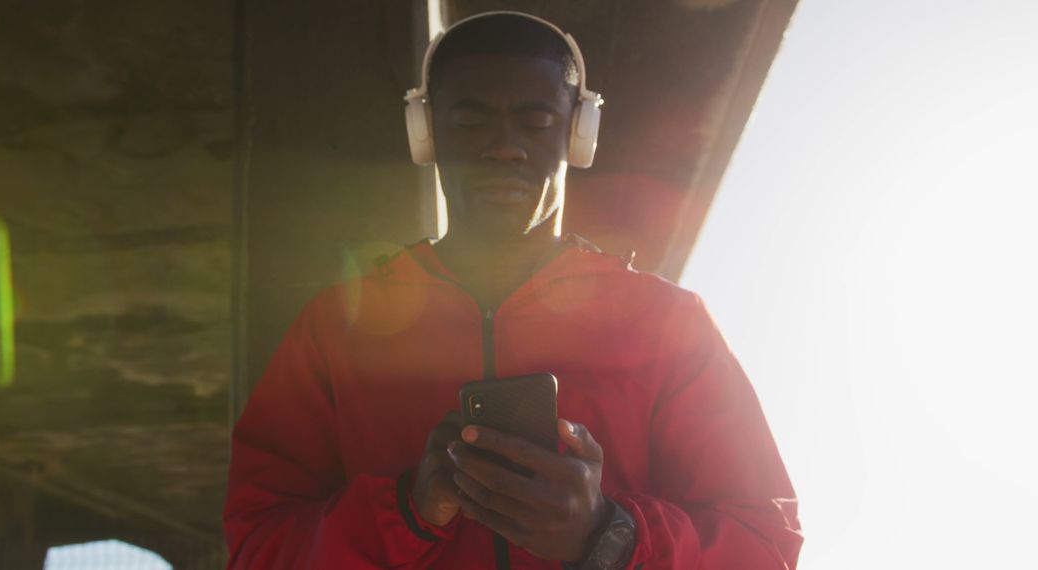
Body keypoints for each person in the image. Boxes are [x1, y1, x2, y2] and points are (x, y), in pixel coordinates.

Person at [224, 11, 802, 569]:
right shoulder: (335, 329)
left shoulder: (667, 323)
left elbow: (766, 546)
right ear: (426, 132)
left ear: (579, 133)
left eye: (536, 120)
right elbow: (255, 548)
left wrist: (608, 535)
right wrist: (408, 509)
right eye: (471, 120)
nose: (504, 146)